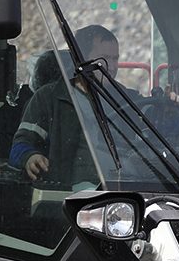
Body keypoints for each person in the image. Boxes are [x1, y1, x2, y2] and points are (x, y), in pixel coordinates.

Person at [9, 24, 118, 187]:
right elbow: (19, 146)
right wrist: (30, 157)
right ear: (80, 59)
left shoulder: (126, 99)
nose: (112, 66)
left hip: (124, 188)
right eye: (104, 59)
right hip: (71, 194)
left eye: (115, 59)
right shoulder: (48, 98)